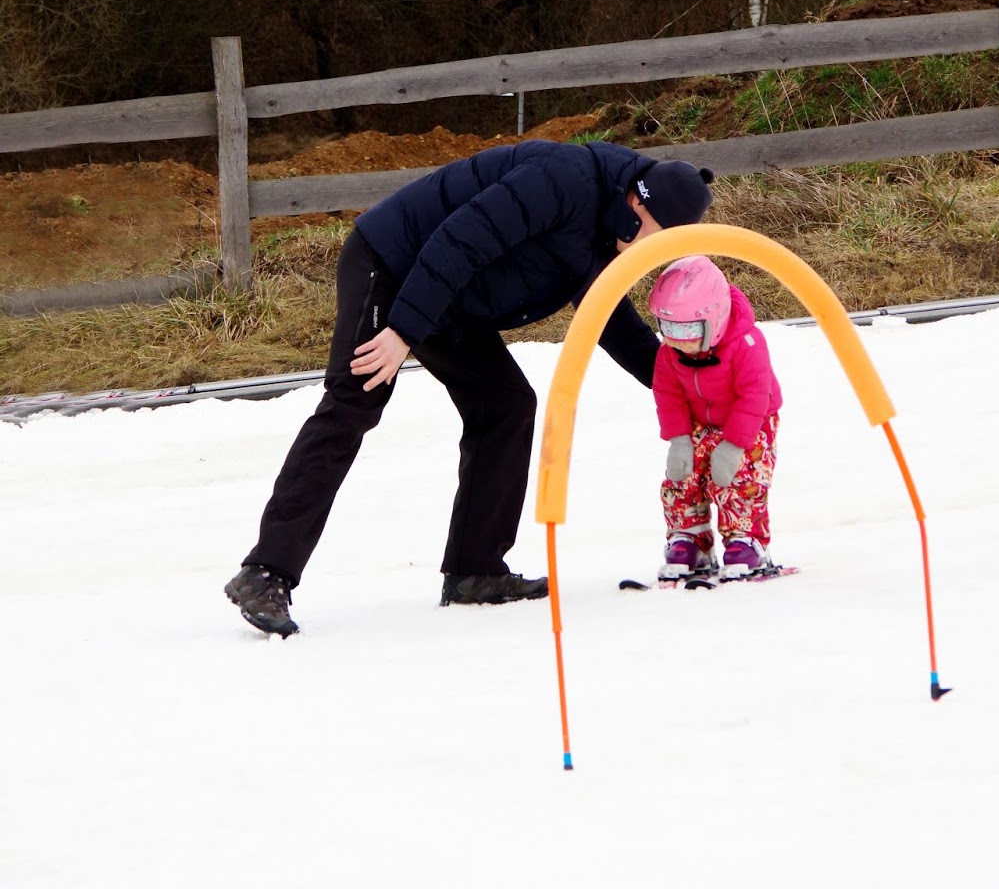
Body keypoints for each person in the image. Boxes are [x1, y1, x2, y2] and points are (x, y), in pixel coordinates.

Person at [225, 139, 714, 636]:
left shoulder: (609, 229)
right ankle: (266, 571)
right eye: (655, 240)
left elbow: (610, 317)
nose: (650, 256)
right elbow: (463, 238)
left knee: (505, 405)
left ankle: (475, 570)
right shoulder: (563, 179)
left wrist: (685, 389)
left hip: (451, 295)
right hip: (393, 263)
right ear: (637, 203)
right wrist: (403, 331)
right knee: (354, 401)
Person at [648, 254, 782, 582]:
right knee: (682, 476)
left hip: (750, 421)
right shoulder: (671, 351)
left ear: (715, 319)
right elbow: (668, 395)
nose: (677, 339)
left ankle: (745, 540)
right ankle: (689, 538)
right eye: (668, 328)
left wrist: (734, 446)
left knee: (740, 476)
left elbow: (754, 396)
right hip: (697, 423)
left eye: (688, 329)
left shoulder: (747, 344)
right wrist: (679, 441)